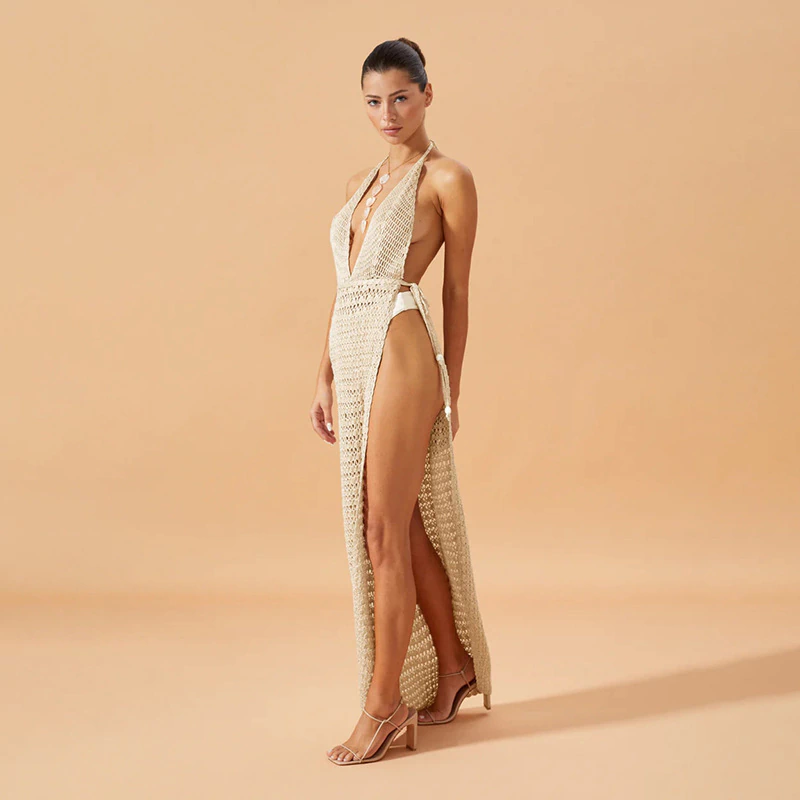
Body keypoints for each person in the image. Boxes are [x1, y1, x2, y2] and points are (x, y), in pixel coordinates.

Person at [309, 37, 492, 766]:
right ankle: (453, 664)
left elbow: (457, 290)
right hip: (354, 349)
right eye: (374, 101)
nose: (387, 113)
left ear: (426, 95)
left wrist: (454, 387)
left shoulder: (447, 177)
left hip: (402, 343)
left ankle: (384, 707)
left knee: (380, 528)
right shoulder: (360, 182)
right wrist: (323, 374)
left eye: (401, 98)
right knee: (398, 523)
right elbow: (345, 285)